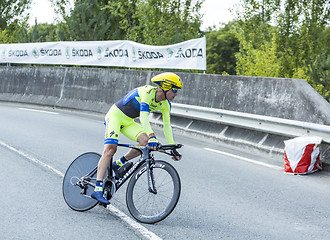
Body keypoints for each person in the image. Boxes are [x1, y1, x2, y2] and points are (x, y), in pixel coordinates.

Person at [91, 72, 183, 204]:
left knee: (145, 143)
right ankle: (97, 189)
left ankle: (119, 164)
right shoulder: (147, 92)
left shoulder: (165, 104)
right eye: (174, 90)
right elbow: (143, 117)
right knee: (111, 150)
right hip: (115, 116)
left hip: (128, 121)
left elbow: (167, 126)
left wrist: (172, 146)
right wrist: (152, 136)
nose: (176, 93)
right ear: (165, 87)